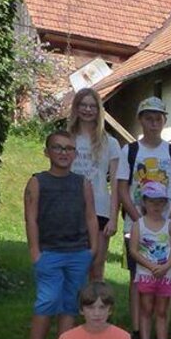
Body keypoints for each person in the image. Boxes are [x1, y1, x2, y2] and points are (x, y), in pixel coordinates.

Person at [23, 130, 99, 339]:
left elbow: (90, 216)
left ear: (75, 154)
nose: (64, 153)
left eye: (69, 148)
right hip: (49, 253)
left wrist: (92, 248)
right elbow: (31, 219)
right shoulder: (37, 181)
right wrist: (35, 251)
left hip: (78, 252)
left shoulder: (82, 182)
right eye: (58, 147)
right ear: (47, 152)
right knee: (47, 300)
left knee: (69, 304)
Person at [117, 97, 171, 339]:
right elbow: (123, 188)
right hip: (136, 224)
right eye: (149, 118)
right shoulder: (131, 150)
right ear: (141, 120)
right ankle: (138, 332)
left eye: (158, 118)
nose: (154, 123)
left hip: (165, 226)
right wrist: (139, 221)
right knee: (138, 278)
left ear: (164, 121)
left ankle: (161, 335)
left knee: (164, 277)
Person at [67, 87, 121, 281]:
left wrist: (114, 218)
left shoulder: (111, 143)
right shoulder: (67, 139)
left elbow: (116, 184)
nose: (88, 110)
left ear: (99, 110)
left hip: (100, 208)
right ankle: (73, 307)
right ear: (76, 108)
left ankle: (96, 308)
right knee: (74, 264)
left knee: (96, 264)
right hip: (71, 209)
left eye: (92, 106)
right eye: (83, 105)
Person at [130, 181, 171, 339]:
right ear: (144, 202)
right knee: (146, 308)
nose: (156, 206)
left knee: (162, 310)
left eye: (160, 202)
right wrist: (150, 267)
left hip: (165, 274)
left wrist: (165, 267)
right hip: (145, 273)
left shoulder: (170, 225)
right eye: (152, 202)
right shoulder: (139, 225)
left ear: (165, 203)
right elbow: (134, 250)